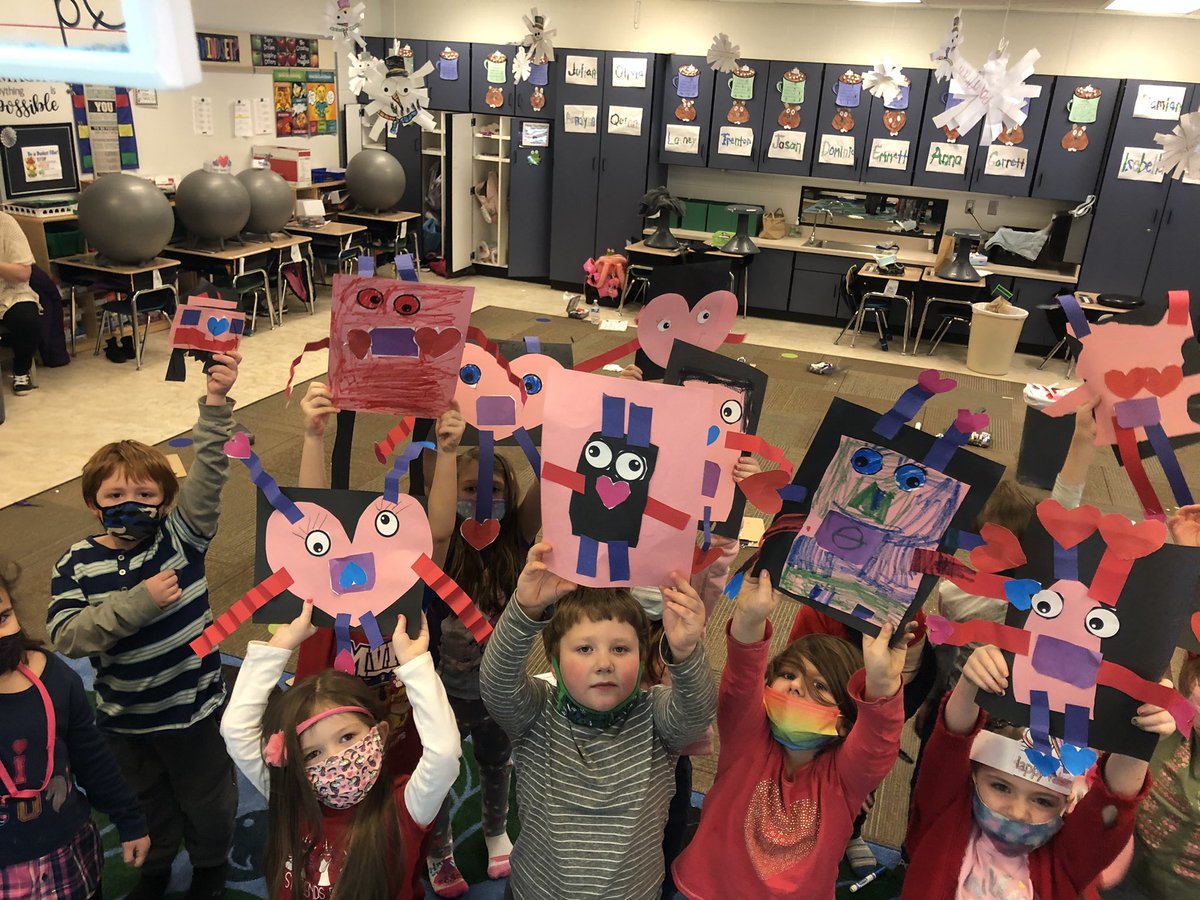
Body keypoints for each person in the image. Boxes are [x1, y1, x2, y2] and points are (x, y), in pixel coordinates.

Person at [46, 351, 242, 900]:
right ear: (92, 504)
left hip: (192, 709)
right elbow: (67, 636)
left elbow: (209, 473)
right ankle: (155, 867)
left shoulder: (181, 539)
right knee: (143, 798)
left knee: (207, 796)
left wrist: (216, 404)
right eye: (115, 496)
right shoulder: (76, 562)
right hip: (123, 716)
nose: (130, 504)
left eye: (146, 495)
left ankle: (209, 865)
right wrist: (138, 603)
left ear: (166, 503)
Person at [479, 542, 716, 900]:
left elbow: (697, 711)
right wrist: (524, 611)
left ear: (643, 656)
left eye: (620, 649)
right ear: (554, 660)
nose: (603, 663)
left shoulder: (656, 717)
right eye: (585, 649)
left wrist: (684, 652)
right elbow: (496, 684)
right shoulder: (537, 714)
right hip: (536, 891)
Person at [672, 571, 909, 898]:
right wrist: (749, 618)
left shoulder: (843, 779)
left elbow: (878, 741)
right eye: (787, 674)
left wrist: (882, 684)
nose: (796, 685)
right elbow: (741, 680)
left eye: (820, 686)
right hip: (704, 890)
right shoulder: (748, 741)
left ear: (845, 723)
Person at [220, 600, 461, 900]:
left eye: (347, 737)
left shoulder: (403, 809)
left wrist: (415, 666)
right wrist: (281, 642)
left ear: (380, 735)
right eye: (312, 753)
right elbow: (236, 731)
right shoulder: (293, 797)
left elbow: (445, 755)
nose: (335, 758)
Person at [904, 644, 1171, 899]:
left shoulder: (1063, 864)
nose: (1018, 812)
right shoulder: (942, 818)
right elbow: (948, 748)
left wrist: (1139, 739)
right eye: (1000, 786)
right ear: (972, 775)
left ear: (1068, 803)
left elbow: (1113, 804)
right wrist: (971, 684)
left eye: (1043, 800)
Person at [423, 402, 540, 897]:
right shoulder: (443, 550)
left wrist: (558, 446)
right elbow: (441, 525)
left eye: (493, 491)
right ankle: (439, 847)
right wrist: (447, 453)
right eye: (470, 491)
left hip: (501, 692)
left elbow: (540, 502)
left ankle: (495, 830)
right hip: (443, 691)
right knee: (441, 773)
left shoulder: (515, 541)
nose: (482, 501)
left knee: (498, 765)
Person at [292, 381, 426, 777]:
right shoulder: (325, 585)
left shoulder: (407, 584)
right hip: (330, 749)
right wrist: (313, 437)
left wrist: (446, 450)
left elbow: (434, 534)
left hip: (398, 740)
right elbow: (308, 515)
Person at [0, 557, 150, 899]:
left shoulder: (54, 677)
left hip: (68, 851)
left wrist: (130, 820)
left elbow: (93, 759)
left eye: (3, 617)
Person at [0, 211, 43, 395]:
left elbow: (23, 273)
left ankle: (21, 371)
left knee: (27, 317)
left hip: (9, 291)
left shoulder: (6, 223)